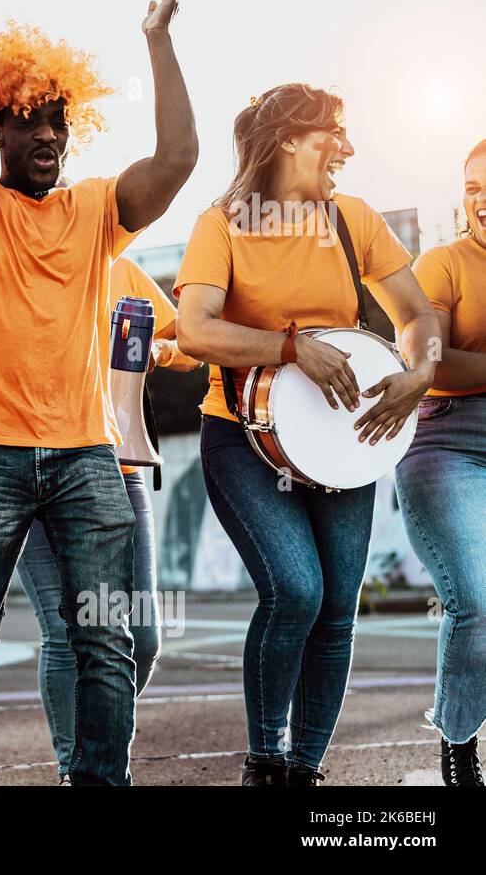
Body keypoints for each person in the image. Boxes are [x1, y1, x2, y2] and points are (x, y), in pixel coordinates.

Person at [0, 0, 198, 787]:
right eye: (26, 120)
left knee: (108, 638)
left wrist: (159, 40)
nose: (46, 135)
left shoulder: (94, 212)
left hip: (86, 459)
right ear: (0, 132)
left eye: (58, 122)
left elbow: (179, 157)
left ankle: (97, 780)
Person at [174, 82, 439, 785]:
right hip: (242, 438)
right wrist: (289, 349)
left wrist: (420, 372)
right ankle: (265, 761)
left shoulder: (353, 218)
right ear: (289, 138)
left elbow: (415, 314)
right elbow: (194, 329)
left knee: (337, 615)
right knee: (296, 591)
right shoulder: (223, 222)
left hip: (345, 444)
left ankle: (304, 770)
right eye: (333, 135)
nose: (347, 150)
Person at [16, 255, 202, 781]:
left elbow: (191, 342)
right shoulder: (11, 262)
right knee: (65, 627)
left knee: (141, 635)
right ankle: (79, 771)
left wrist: (160, 351)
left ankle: (94, 748)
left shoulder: (117, 266)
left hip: (117, 464)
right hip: (30, 467)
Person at [392, 139, 486, 787]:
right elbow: (426, 363)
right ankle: (459, 747)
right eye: (474, 186)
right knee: (477, 601)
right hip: (448, 443)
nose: (481, 198)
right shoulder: (443, 262)